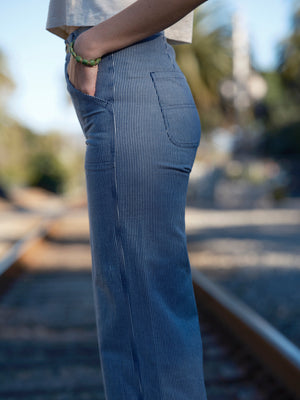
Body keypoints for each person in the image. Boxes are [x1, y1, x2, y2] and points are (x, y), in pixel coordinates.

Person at [46, 1, 208, 399]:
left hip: (129, 71)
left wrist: (93, 43)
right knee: (140, 322)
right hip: (128, 74)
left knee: (146, 338)